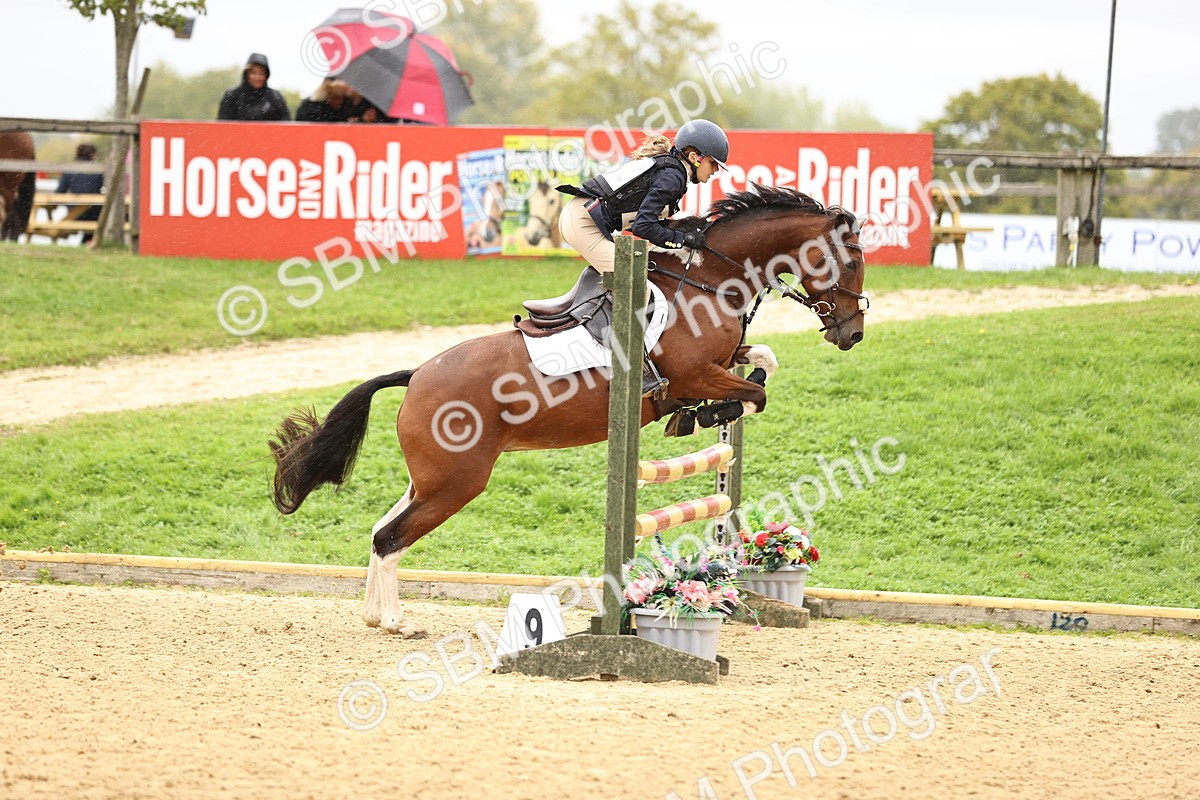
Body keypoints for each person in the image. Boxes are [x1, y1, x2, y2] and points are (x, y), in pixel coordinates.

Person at [555, 118, 729, 396]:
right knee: (636, 283)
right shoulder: (673, 176)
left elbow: (647, 224)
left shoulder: (673, 171)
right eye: (714, 164)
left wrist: (682, 237)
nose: (715, 172)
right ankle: (632, 368)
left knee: (653, 268)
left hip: (584, 216)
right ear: (696, 158)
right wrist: (682, 239)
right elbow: (643, 226)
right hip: (582, 222)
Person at [217, 53, 290, 121]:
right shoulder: (232, 96)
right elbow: (223, 126)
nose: (257, 78)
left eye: (262, 73)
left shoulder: (275, 97)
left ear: (267, 75)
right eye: (253, 73)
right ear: (246, 74)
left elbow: (285, 126)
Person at [56, 143, 104, 244]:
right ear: (92, 154)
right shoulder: (99, 170)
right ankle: (87, 242)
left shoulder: (69, 169)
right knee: (97, 213)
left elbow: (60, 192)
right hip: (94, 212)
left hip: (74, 214)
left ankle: (83, 242)